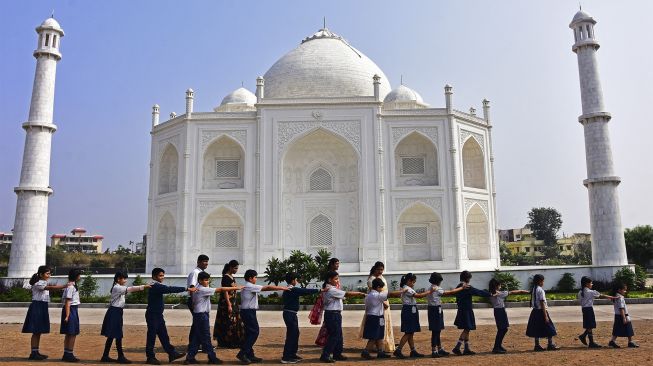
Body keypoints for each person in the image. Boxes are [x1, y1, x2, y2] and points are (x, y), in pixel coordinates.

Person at [186, 272, 241, 364]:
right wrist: (236, 287)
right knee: (206, 336)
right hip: (202, 316)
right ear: (200, 280)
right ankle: (212, 357)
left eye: (208, 280)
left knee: (197, 337)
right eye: (206, 280)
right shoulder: (202, 289)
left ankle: (190, 357)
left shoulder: (197, 288)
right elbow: (221, 289)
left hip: (199, 315)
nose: (207, 282)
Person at [145, 268, 197, 365]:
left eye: (163, 275)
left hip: (158, 315)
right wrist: (187, 288)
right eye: (160, 276)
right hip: (153, 315)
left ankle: (172, 353)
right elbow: (169, 289)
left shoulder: (158, 285)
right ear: (154, 277)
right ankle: (150, 357)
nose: (162, 277)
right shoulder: (154, 286)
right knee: (151, 336)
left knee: (164, 335)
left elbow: (167, 288)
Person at [237, 269, 288, 365]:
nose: (256, 279)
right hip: (248, 312)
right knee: (254, 332)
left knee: (249, 333)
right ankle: (242, 353)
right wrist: (283, 288)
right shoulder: (250, 286)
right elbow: (267, 287)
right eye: (255, 277)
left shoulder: (247, 286)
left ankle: (249, 355)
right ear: (250, 278)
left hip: (247, 311)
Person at [101, 271, 150, 363]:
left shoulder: (117, 287)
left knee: (112, 335)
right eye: (124, 278)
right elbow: (130, 289)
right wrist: (144, 286)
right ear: (118, 279)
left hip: (116, 311)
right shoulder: (117, 287)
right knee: (118, 334)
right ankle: (120, 356)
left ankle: (105, 356)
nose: (125, 280)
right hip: (115, 312)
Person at [319, 271, 366, 363]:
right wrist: (360, 293)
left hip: (334, 314)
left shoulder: (330, 288)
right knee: (334, 335)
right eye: (336, 279)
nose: (337, 280)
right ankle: (325, 355)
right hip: (333, 314)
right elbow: (347, 294)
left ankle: (337, 353)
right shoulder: (331, 290)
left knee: (338, 335)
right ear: (329, 279)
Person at [22, 265, 66, 361]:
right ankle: (33, 353)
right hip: (37, 306)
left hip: (42, 306)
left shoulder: (43, 282)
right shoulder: (38, 283)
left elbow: (48, 287)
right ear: (41, 274)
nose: (49, 275)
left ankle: (36, 352)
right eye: (47, 273)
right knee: (36, 331)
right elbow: (49, 288)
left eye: (50, 273)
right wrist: (64, 286)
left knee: (38, 331)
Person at [281, 272, 322, 364]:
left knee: (295, 334)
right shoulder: (292, 289)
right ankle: (286, 357)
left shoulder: (290, 289)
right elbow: (305, 291)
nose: (297, 281)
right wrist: (319, 290)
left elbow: (302, 292)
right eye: (296, 279)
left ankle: (292, 354)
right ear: (293, 280)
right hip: (290, 314)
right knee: (292, 335)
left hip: (291, 314)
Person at [426, 272, 467, 358]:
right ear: (437, 281)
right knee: (435, 331)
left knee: (437, 330)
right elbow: (450, 292)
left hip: (432, 309)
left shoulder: (430, 287)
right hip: (435, 310)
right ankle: (434, 350)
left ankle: (439, 349)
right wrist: (461, 288)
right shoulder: (436, 288)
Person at [361, 278, 403, 360]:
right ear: (378, 287)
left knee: (379, 335)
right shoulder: (377, 295)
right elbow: (390, 294)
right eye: (381, 288)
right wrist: (403, 291)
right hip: (376, 317)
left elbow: (379, 302)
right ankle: (365, 351)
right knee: (373, 336)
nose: (381, 290)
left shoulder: (369, 295)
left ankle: (380, 351)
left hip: (373, 316)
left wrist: (383, 304)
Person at [392, 273, 432, 359]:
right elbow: (419, 296)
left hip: (410, 310)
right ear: (409, 281)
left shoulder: (406, 288)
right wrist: (429, 292)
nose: (414, 284)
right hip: (409, 310)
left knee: (410, 332)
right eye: (413, 282)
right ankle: (398, 350)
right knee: (408, 332)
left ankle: (412, 350)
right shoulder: (407, 288)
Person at [451, 270, 491, 356]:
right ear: (468, 278)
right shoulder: (466, 287)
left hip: (461, 309)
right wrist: (490, 293)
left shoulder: (458, 286)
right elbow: (478, 292)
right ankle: (457, 347)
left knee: (467, 329)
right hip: (467, 310)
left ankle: (466, 348)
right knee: (467, 328)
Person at [358, 261, 395, 353]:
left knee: (382, 325)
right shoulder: (372, 280)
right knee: (377, 328)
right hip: (379, 303)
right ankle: (374, 348)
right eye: (378, 269)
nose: (380, 271)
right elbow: (376, 294)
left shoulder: (381, 277)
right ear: (375, 269)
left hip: (384, 300)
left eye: (382, 269)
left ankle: (382, 347)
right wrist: (383, 302)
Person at [487, 278, 529, 354]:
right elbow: (513, 292)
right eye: (499, 285)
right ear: (496, 286)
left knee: (503, 329)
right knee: (502, 329)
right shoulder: (499, 293)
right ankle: (496, 347)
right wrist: (525, 291)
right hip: (500, 311)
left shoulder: (491, 293)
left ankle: (498, 345)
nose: (500, 286)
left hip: (497, 311)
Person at [577, 276, 615, 348]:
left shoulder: (580, 292)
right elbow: (601, 295)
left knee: (589, 325)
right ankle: (590, 342)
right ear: (587, 284)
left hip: (584, 309)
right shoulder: (590, 292)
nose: (592, 285)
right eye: (591, 283)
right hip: (589, 309)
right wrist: (612, 297)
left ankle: (584, 336)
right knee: (590, 325)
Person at [214, 259, 244, 348]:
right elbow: (225, 292)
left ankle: (234, 341)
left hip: (233, 302)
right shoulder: (225, 277)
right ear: (230, 267)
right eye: (235, 268)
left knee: (234, 321)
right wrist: (229, 304)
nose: (236, 270)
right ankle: (226, 342)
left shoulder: (231, 276)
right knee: (228, 321)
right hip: (227, 303)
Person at [525, 274, 559, 351]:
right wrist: (545, 315)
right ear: (540, 281)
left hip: (535, 311)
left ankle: (537, 345)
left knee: (536, 328)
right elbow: (542, 303)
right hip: (541, 311)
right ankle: (550, 344)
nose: (543, 283)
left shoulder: (534, 288)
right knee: (549, 327)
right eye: (543, 281)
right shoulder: (540, 290)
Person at [311, 258, 340, 347]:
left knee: (329, 323)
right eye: (336, 264)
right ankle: (324, 340)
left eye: (338, 264)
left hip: (335, 297)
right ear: (331, 264)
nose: (338, 265)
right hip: (331, 299)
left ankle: (326, 340)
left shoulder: (335, 275)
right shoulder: (330, 275)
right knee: (330, 324)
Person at [186, 254, 209, 351]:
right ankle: (198, 345)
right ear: (198, 262)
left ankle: (197, 345)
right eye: (204, 261)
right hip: (195, 301)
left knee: (197, 323)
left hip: (200, 301)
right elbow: (192, 287)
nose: (206, 263)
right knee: (199, 323)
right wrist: (193, 302)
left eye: (207, 261)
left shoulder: (201, 272)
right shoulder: (195, 272)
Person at [608, 281, 639, 348]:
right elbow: (621, 308)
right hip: (623, 315)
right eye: (624, 290)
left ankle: (612, 341)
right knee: (628, 328)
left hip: (617, 315)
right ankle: (630, 342)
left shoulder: (615, 296)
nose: (625, 291)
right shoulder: (620, 297)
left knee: (617, 329)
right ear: (619, 290)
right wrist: (624, 317)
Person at [60, 268, 83, 362]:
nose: (80, 277)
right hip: (71, 310)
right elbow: (68, 302)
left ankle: (67, 353)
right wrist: (68, 315)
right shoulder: (71, 287)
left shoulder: (71, 286)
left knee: (69, 333)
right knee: (72, 333)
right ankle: (69, 354)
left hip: (72, 310)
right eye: (79, 275)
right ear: (76, 276)